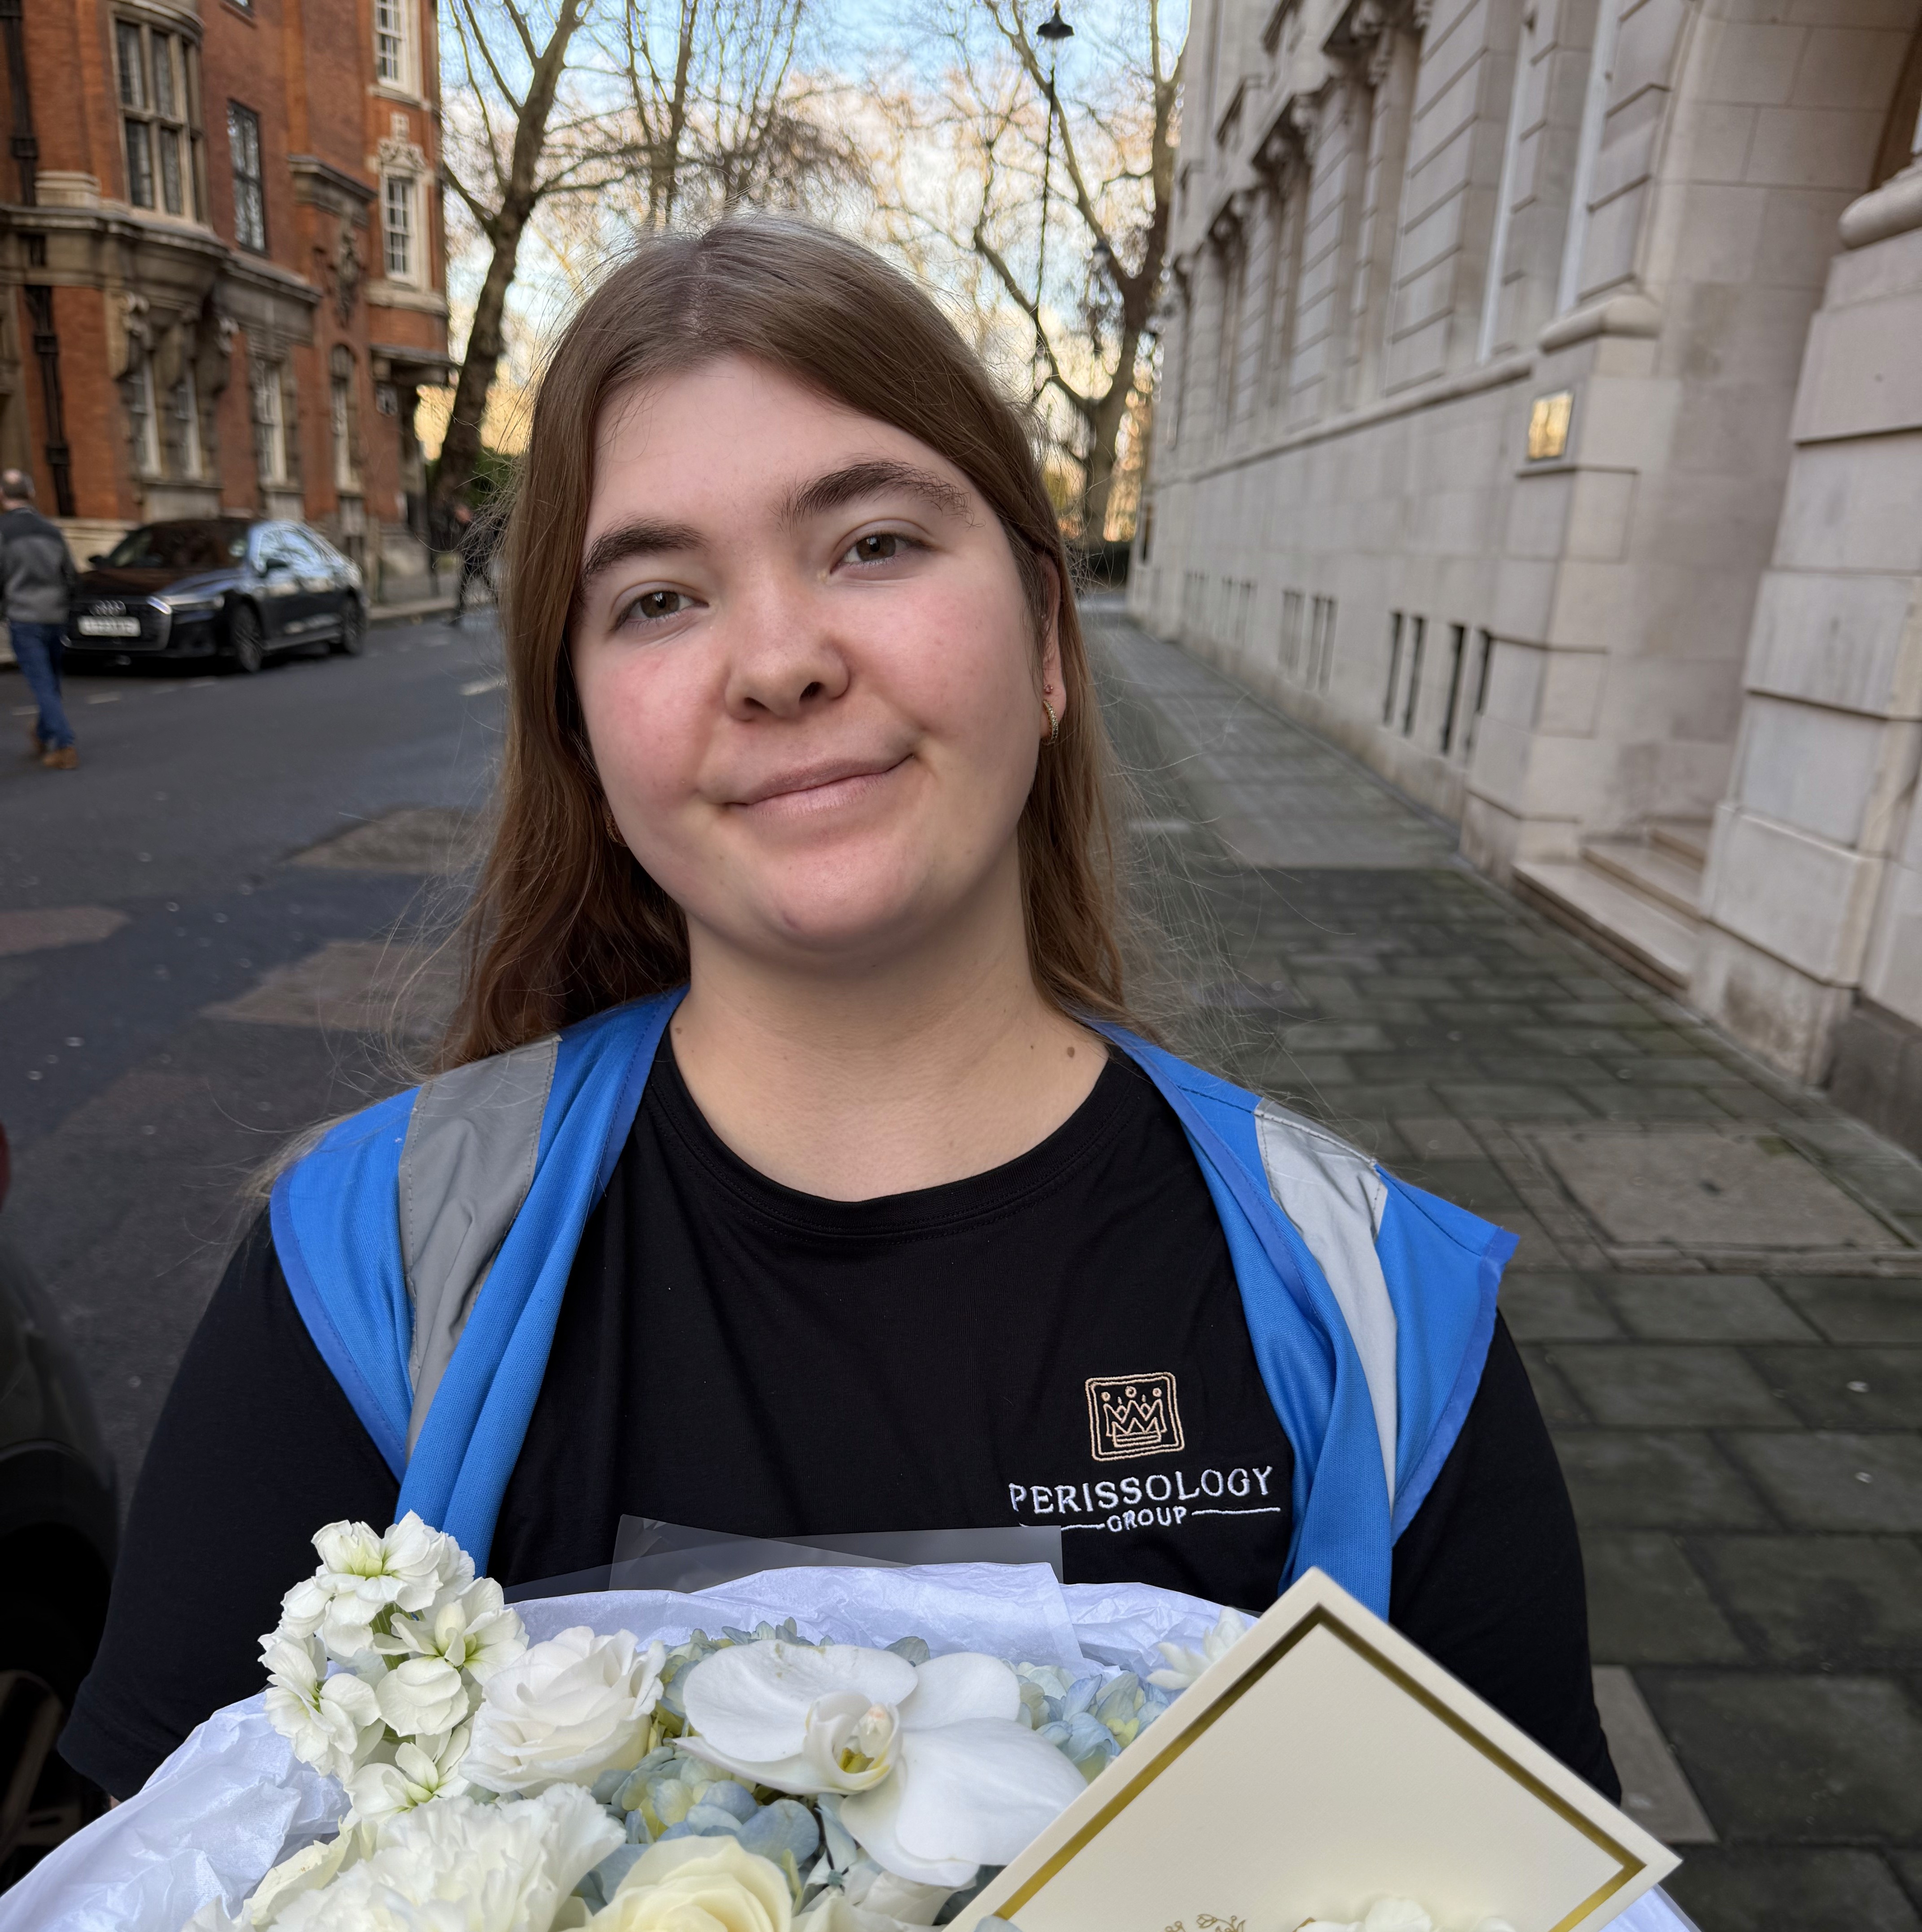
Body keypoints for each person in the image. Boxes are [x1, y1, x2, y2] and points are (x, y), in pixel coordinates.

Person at [58, 220, 1618, 1809]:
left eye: (871, 542)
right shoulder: (373, 1268)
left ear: (1052, 642)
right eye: (658, 598)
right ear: (584, 734)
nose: (781, 661)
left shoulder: (1372, 1315)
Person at [1, 466, 79, 770]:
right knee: (52, 680)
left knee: (42, 683)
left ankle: (65, 744)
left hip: (24, 616)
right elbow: (71, 576)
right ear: (31, 494)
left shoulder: (4, 532)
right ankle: (44, 731)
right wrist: (66, 605)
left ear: (2, 496)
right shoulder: (52, 531)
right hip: (55, 614)